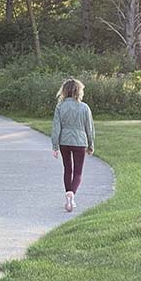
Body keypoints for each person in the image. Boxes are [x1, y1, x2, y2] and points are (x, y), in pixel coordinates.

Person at [51, 78, 95, 213]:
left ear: (64, 91)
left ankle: (67, 193)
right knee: (78, 172)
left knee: (67, 169)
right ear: (78, 91)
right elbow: (89, 128)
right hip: (80, 142)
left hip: (64, 142)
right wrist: (91, 144)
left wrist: (55, 146)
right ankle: (72, 194)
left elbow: (56, 127)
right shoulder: (84, 107)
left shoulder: (60, 107)